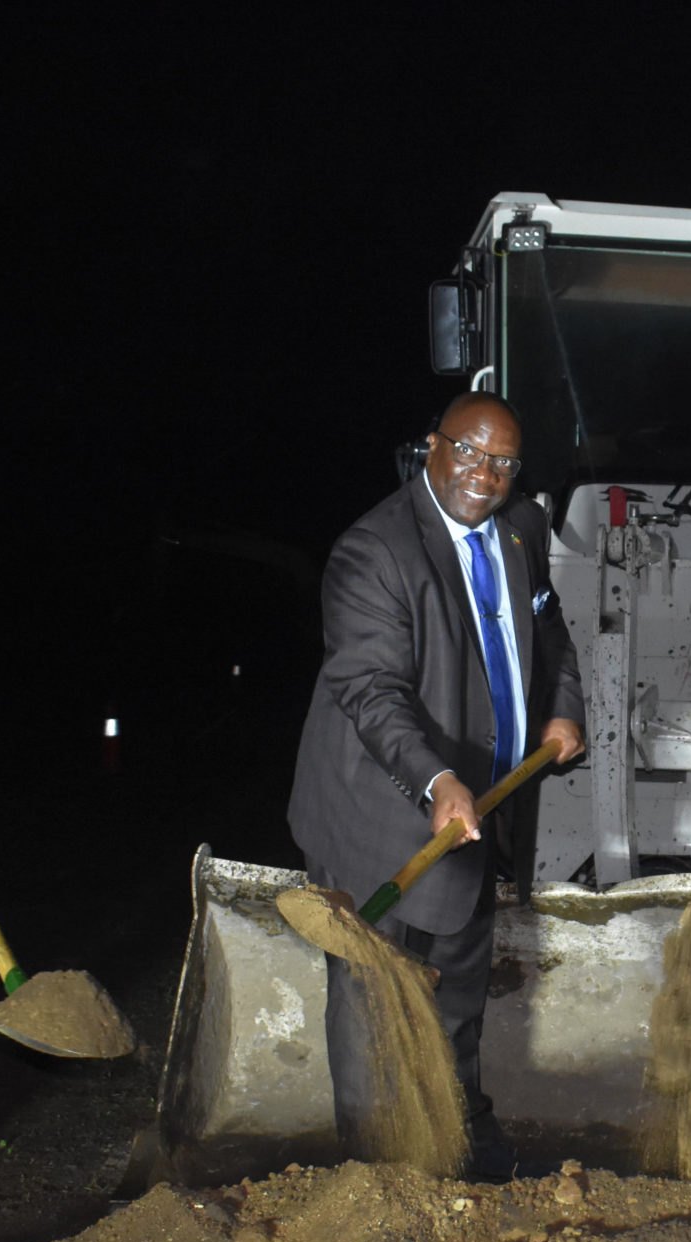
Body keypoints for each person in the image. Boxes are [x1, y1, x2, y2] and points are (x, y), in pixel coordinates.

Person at [286, 392, 585, 1181]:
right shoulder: (375, 551)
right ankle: (374, 1176)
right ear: (432, 446)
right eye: (469, 452)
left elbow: (548, 626)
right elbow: (370, 689)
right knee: (374, 1008)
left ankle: (462, 1141)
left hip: (477, 810)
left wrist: (563, 709)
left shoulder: (522, 528)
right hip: (377, 816)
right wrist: (435, 777)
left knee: (456, 988)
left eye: (504, 463)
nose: (485, 475)